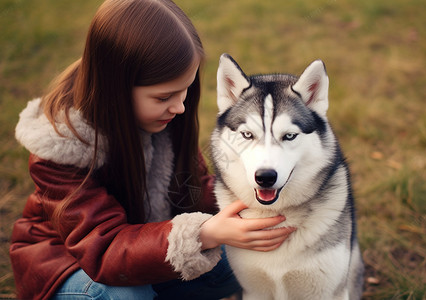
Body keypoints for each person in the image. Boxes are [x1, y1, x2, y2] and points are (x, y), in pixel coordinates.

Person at [10, 0, 295, 299]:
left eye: (185, 89)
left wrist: (251, 200)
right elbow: (105, 251)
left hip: (147, 254)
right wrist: (203, 234)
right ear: (115, 88)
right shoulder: (62, 147)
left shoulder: (163, 116)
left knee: (247, 254)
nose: (180, 106)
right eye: (164, 97)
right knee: (126, 296)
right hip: (73, 269)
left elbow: (192, 191)